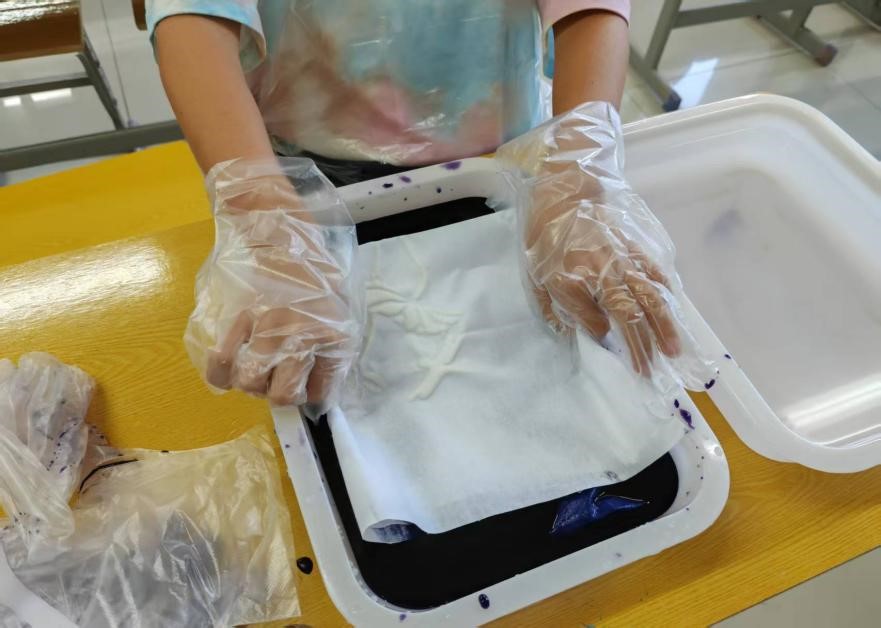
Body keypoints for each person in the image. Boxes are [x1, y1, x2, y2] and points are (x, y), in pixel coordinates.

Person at [149, 0, 705, 413]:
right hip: (307, 175)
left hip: (501, 159)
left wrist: (579, 178)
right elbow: (191, 13)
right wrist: (265, 217)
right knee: (319, 377)